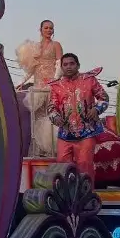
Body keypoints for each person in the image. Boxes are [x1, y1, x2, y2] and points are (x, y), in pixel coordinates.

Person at [49, 53, 109, 184]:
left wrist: (97, 109)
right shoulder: (56, 86)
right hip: (65, 133)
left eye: (72, 64)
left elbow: (104, 98)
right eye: (65, 65)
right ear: (61, 67)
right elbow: (51, 108)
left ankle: (86, 198)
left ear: (78, 65)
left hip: (87, 132)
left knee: (84, 165)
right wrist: (56, 117)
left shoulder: (89, 80)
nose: (69, 67)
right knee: (62, 167)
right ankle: (67, 199)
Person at [16, 20, 64, 158]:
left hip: (51, 85)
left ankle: (53, 149)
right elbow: (32, 68)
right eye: (46, 28)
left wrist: (54, 81)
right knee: (38, 118)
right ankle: (41, 151)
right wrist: (22, 82)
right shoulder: (35, 47)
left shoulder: (56, 45)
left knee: (51, 115)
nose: (49, 30)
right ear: (41, 29)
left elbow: (59, 64)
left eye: (51, 28)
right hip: (38, 85)